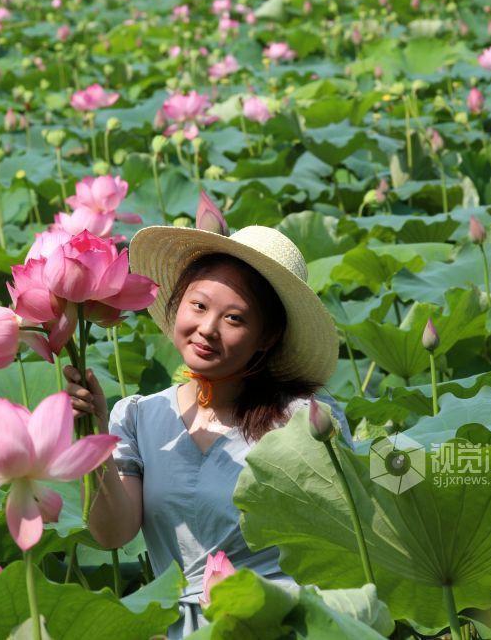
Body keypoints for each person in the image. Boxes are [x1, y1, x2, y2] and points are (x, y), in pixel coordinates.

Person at [65, 225, 351, 639]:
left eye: (234, 318)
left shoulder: (304, 420)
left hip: (277, 624)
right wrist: (92, 435)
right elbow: (112, 533)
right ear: (178, 302)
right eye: (198, 305)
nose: (208, 328)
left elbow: (353, 526)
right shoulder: (138, 417)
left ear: (267, 337)